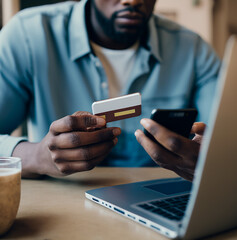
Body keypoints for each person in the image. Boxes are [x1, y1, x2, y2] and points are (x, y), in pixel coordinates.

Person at [0, 0, 220, 180]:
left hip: (157, 199)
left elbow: (224, 142)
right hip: (62, 200)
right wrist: (37, 156)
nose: (132, 1)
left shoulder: (192, 50)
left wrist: (210, 160)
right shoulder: (29, 36)